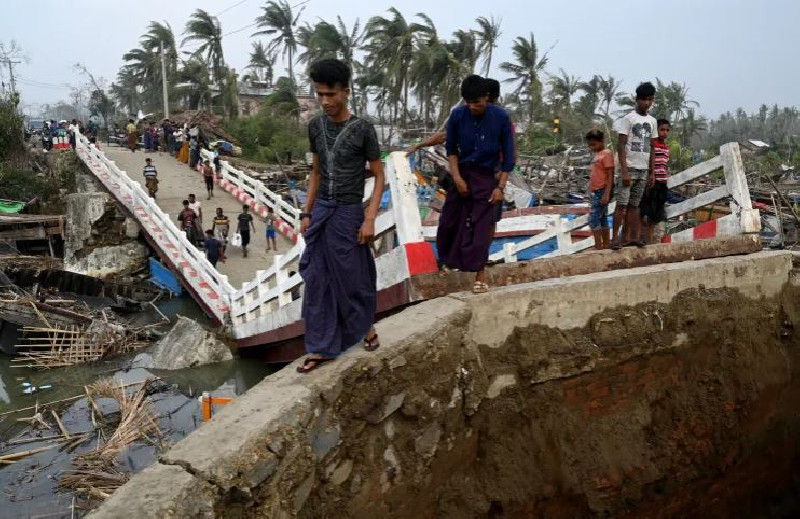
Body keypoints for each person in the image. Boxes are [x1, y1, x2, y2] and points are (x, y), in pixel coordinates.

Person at [297, 58, 384, 374]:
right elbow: (316, 172)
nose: (325, 102)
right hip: (321, 211)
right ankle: (322, 347)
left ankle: (366, 327)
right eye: (320, 94)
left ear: (346, 91)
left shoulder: (363, 129)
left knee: (352, 277)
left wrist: (370, 217)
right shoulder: (315, 126)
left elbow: (379, 175)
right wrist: (306, 213)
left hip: (349, 212)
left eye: (331, 94)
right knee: (318, 278)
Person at [436, 74, 514, 294]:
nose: (473, 107)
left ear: (486, 97)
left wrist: (500, 188)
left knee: (482, 228)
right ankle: (448, 262)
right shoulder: (458, 115)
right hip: (462, 172)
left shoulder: (501, 117)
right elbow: (451, 149)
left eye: (477, 102)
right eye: (468, 103)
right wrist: (457, 178)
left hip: (486, 177)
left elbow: (509, 156)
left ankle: (480, 274)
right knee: (450, 221)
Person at [611, 82, 658, 249]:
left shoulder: (652, 122)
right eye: (645, 100)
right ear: (637, 100)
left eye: (651, 100)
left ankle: (633, 237)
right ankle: (615, 238)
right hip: (629, 168)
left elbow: (652, 147)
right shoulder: (628, 119)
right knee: (621, 205)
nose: (648, 103)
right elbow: (621, 145)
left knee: (635, 206)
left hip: (643, 169)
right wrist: (623, 171)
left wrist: (652, 172)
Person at [640, 119, 672, 244]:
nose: (665, 133)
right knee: (648, 215)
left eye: (667, 130)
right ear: (656, 130)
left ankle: (650, 242)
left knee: (655, 217)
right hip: (653, 183)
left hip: (662, 184)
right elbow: (648, 163)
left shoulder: (666, 148)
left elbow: (665, 165)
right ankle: (647, 243)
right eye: (662, 130)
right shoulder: (652, 145)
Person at [586, 129, 614, 250]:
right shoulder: (598, 154)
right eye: (590, 145)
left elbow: (610, 175)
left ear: (601, 141)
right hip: (596, 191)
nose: (592, 147)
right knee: (602, 219)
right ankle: (606, 244)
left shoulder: (606, 154)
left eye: (594, 144)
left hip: (602, 191)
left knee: (593, 220)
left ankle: (599, 245)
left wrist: (607, 194)